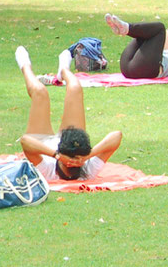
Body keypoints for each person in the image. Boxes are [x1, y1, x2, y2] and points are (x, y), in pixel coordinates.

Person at [14, 46, 122, 181]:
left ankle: (25, 66)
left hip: (41, 142)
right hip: (67, 141)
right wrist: (87, 156)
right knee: (75, 88)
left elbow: (26, 142)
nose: (73, 165)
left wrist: (57, 156)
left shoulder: (48, 171)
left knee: (40, 92)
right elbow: (117, 136)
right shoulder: (89, 170)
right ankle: (63, 70)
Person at [103, 14, 168, 79]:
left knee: (160, 28)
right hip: (127, 68)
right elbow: (167, 34)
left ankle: (127, 29)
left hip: (148, 70)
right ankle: (123, 29)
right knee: (146, 34)